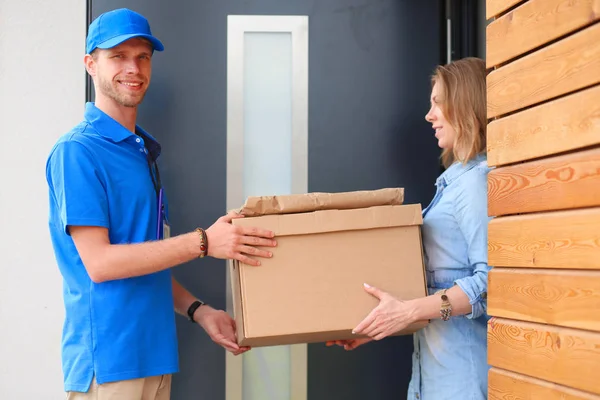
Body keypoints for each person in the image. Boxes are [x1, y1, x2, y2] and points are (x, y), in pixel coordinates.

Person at [45, 8, 276, 399]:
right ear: (90, 64)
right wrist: (204, 242)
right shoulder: (77, 152)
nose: (133, 68)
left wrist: (199, 311)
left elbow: (143, 258)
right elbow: (101, 264)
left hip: (156, 358)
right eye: (117, 56)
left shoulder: (142, 153)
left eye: (143, 57)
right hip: (111, 365)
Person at [328, 57, 491, 400]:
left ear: (465, 104)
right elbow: (437, 285)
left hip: (462, 379)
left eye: (437, 102)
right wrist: (378, 326)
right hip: (430, 377)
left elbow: (490, 283)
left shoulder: (475, 185)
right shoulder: (453, 183)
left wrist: (405, 313)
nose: (429, 115)